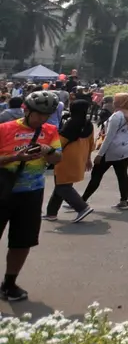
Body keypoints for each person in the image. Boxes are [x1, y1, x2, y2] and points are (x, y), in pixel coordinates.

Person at [0, 90, 64, 301]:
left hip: (31, 194)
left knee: (22, 241)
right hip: (3, 191)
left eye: (46, 115)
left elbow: (57, 160)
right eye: (38, 115)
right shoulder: (5, 129)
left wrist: (48, 151)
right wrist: (15, 157)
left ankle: (9, 283)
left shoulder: (50, 131)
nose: (42, 119)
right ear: (26, 110)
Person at [43, 99, 94, 223]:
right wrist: (88, 158)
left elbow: (60, 142)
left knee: (62, 187)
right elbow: (91, 143)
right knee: (62, 186)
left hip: (65, 159)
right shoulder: (88, 124)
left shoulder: (71, 124)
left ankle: (82, 207)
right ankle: (51, 213)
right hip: (79, 158)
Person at [83, 92, 128, 210]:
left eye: (115, 100)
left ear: (119, 102)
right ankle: (124, 201)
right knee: (122, 174)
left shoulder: (117, 116)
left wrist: (100, 154)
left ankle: (81, 202)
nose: (113, 102)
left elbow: (109, 137)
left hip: (113, 149)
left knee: (96, 174)